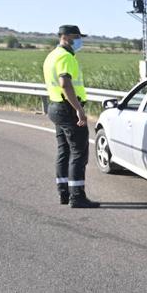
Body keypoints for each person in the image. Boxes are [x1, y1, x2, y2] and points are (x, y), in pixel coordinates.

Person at [43, 24, 99, 208]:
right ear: (66, 37)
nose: (79, 40)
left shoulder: (52, 56)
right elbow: (65, 84)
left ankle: (64, 193)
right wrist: (79, 109)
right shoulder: (66, 57)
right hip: (68, 108)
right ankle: (77, 196)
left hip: (56, 107)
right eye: (77, 36)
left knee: (64, 151)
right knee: (78, 153)